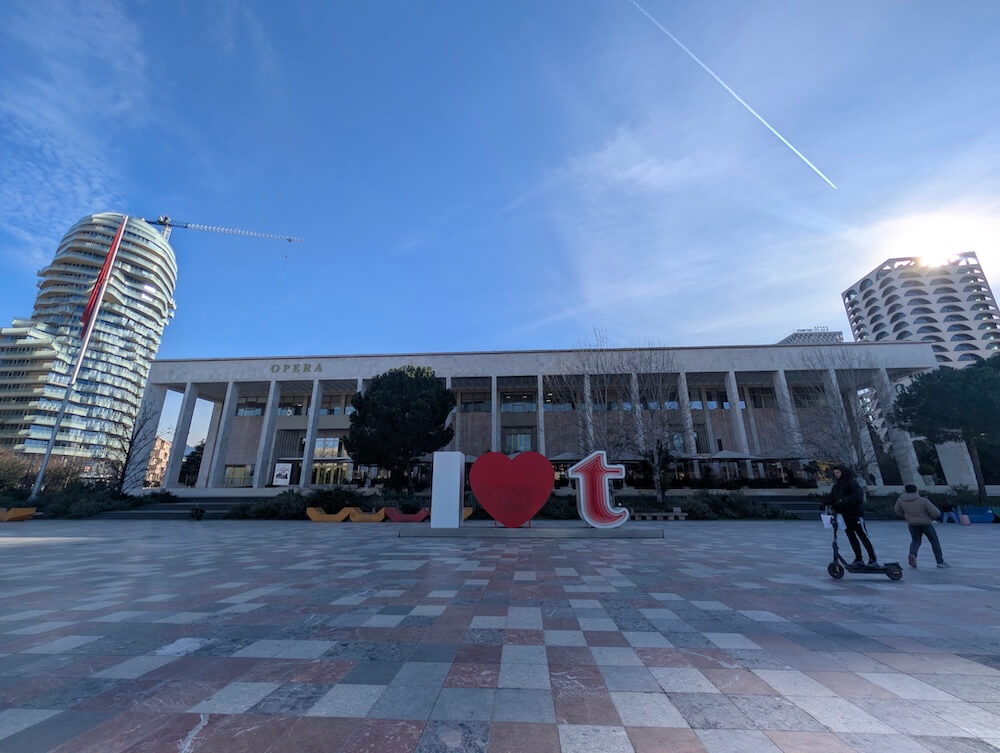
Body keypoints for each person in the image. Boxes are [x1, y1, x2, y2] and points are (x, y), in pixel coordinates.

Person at [829, 465, 878, 566]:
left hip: (855, 514)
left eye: (838, 472)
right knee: (851, 537)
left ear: (843, 472)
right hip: (844, 516)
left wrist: (842, 501)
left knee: (862, 536)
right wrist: (826, 503)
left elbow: (856, 497)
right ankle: (858, 558)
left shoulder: (852, 483)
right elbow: (833, 497)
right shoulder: (837, 485)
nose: (836, 475)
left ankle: (872, 558)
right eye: (835, 473)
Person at [895, 484, 949, 568]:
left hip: (912, 524)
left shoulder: (900, 500)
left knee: (915, 541)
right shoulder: (923, 501)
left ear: (905, 491)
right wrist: (931, 518)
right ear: (916, 490)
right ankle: (940, 562)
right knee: (934, 541)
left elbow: (897, 511)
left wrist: (907, 516)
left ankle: (912, 555)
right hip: (926, 523)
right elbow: (936, 513)